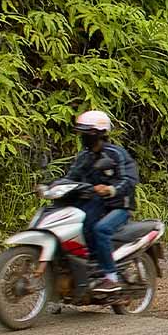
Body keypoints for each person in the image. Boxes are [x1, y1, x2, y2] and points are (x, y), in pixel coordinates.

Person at [64, 110, 139, 293]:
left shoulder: (116, 154)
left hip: (118, 206)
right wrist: (54, 186)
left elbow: (129, 179)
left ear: (98, 134)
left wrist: (110, 189)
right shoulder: (84, 156)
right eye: (81, 133)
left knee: (101, 229)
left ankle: (110, 276)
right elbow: (71, 177)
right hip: (94, 205)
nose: (82, 137)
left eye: (86, 133)